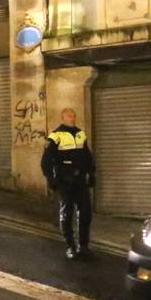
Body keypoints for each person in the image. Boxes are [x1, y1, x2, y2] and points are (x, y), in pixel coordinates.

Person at [41, 108, 95, 260]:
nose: (72, 118)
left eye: (74, 116)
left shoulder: (80, 134)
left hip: (80, 180)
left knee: (85, 213)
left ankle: (83, 246)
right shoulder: (56, 136)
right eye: (69, 116)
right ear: (63, 118)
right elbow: (46, 161)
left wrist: (91, 174)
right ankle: (70, 246)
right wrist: (51, 179)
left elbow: (88, 157)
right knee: (67, 214)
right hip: (65, 181)